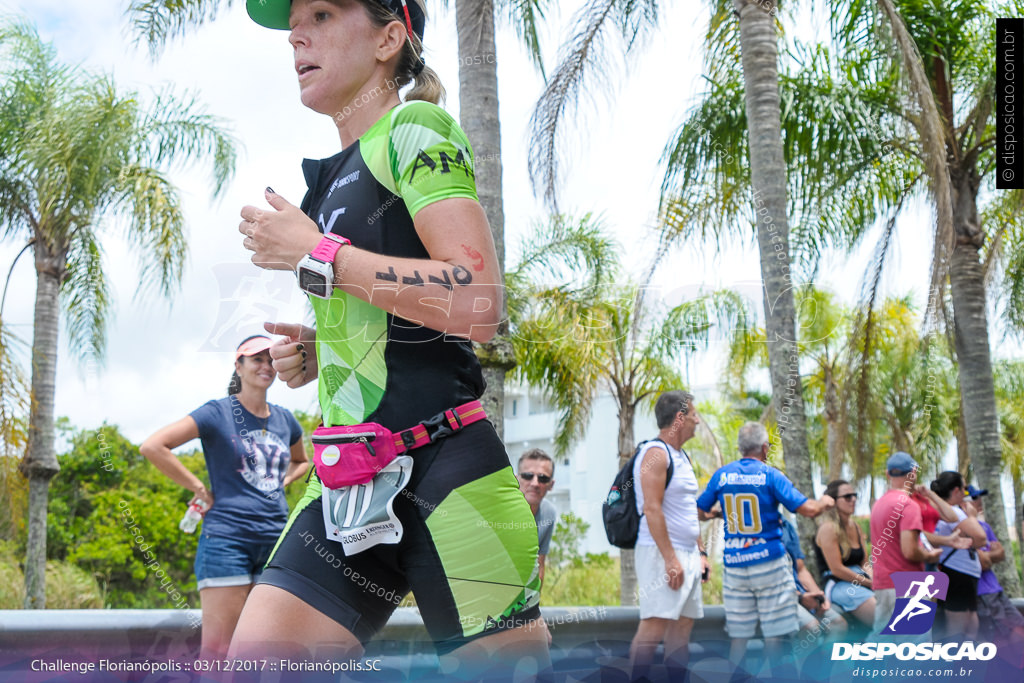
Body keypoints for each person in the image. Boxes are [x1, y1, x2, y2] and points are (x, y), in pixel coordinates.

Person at [231, 0, 550, 674]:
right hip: (348, 486)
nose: (296, 34)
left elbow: (477, 300)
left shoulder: (416, 127)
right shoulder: (325, 182)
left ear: (389, 38)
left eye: (321, 13)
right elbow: (393, 316)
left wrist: (319, 255)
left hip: (450, 472)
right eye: (294, 22)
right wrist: (319, 351)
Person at [140, 335, 308, 658]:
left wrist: (282, 480)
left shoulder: (285, 419)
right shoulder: (217, 413)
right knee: (218, 653)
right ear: (238, 366)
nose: (266, 366)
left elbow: (302, 460)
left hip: (276, 541)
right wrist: (198, 488)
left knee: (263, 654)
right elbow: (153, 446)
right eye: (257, 359)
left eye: (271, 360)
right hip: (227, 541)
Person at [696, 421, 834, 671]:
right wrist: (825, 501)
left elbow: (699, 510)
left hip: (736, 567)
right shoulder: (771, 475)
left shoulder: (722, 475)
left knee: (739, 636)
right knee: (776, 634)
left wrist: (719, 514)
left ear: (740, 448)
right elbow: (808, 509)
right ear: (764, 448)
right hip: (769, 563)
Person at [629, 391, 710, 680]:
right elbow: (651, 508)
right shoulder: (655, 453)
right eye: (694, 415)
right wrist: (670, 559)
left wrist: (700, 553)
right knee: (653, 627)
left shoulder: (681, 455)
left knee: (683, 627)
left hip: (686, 553)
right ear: (680, 418)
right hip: (661, 553)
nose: (697, 421)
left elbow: (688, 510)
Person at [868, 452, 971, 636]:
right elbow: (909, 551)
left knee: (881, 646)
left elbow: (951, 517)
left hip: (884, 582)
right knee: (914, 649)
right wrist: (929, 555)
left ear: (887, 474)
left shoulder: (879, 504)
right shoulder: (909, 505)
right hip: (910, 582)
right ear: (913, 473)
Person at [930, 471, 988, 639]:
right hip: (957, 574)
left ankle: (963, 663)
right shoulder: (954, 512)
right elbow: (981, 538)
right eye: (964, 488)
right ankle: (956, 664)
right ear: (955, 491)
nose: (966, 493)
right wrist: (972, 517)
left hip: (964, 574)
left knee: (969, 623)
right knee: (958, 628)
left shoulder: (945, 510)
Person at [813, 480, 875, 628]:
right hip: (839, 584)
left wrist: (874, 579)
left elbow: (864, 563)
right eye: (847, 497)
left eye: (854, 495)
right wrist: (869, 583)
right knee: (884, 618)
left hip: (860, 579)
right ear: (834, 501)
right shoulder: (828, 529)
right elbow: (837, 569)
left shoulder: (856, 526)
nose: (853, 499)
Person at [969, 486, 1024, 642]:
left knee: (1019, 629)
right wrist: (990, 554)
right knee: (999, 638)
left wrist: (987, 554)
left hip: (996, 589)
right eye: (974, 498)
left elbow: (1002, 554)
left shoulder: (985, 527)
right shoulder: (962, 527)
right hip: (981, 593)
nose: (979, 501)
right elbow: (985, 562)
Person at [779, 517, 847, 640]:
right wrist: (799, 598)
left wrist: (819, 596)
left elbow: (801, 569)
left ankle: (826, 659)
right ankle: (800, 659)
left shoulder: (786, 525)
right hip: (778, 598)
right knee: (812, 628)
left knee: (838, 624)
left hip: (800, 593)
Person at [517, 448, 557, 585]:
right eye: (528, 476)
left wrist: (535, 604)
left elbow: (539, 565)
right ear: (516, 479)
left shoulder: (549, 513)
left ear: (551, 485)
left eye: (543, 478)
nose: (535, 483)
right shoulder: (499, 511)